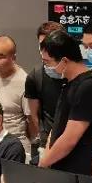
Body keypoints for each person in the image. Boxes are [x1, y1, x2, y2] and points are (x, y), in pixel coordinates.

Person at [38, 30, 92, 174]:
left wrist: (42, 165)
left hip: (78, 170)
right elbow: (57, 126)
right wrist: (47, 156)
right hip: (59, 166)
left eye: (47, 62)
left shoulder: (89, 86)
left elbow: (70, 138)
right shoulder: (68, 83)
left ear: (64, 61)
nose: (46, 67)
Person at [0, 35, 35, 161]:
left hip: (13, 148)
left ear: (13, 58)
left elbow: (32, 121)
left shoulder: (25, 82)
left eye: (0, 56)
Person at [25, 21, 67, 165]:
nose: (45, 49)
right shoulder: (35, 76)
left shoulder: (76, 73)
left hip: (74, 142)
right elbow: (34, 116)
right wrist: (44, 139)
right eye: (41, 44)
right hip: (46, 143)